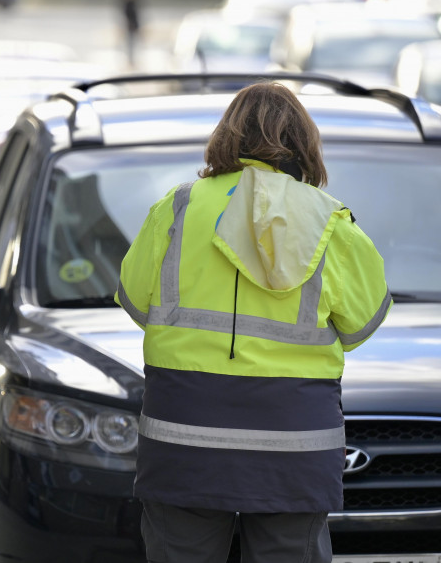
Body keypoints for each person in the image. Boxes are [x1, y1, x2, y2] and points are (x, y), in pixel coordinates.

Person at [115, 81, 391, 563]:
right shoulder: (331, 222)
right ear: (305, 142)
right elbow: (362, 323)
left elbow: (137, 303)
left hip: (184, 440)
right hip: (294, 446)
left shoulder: (177, 208)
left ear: (226, 135)